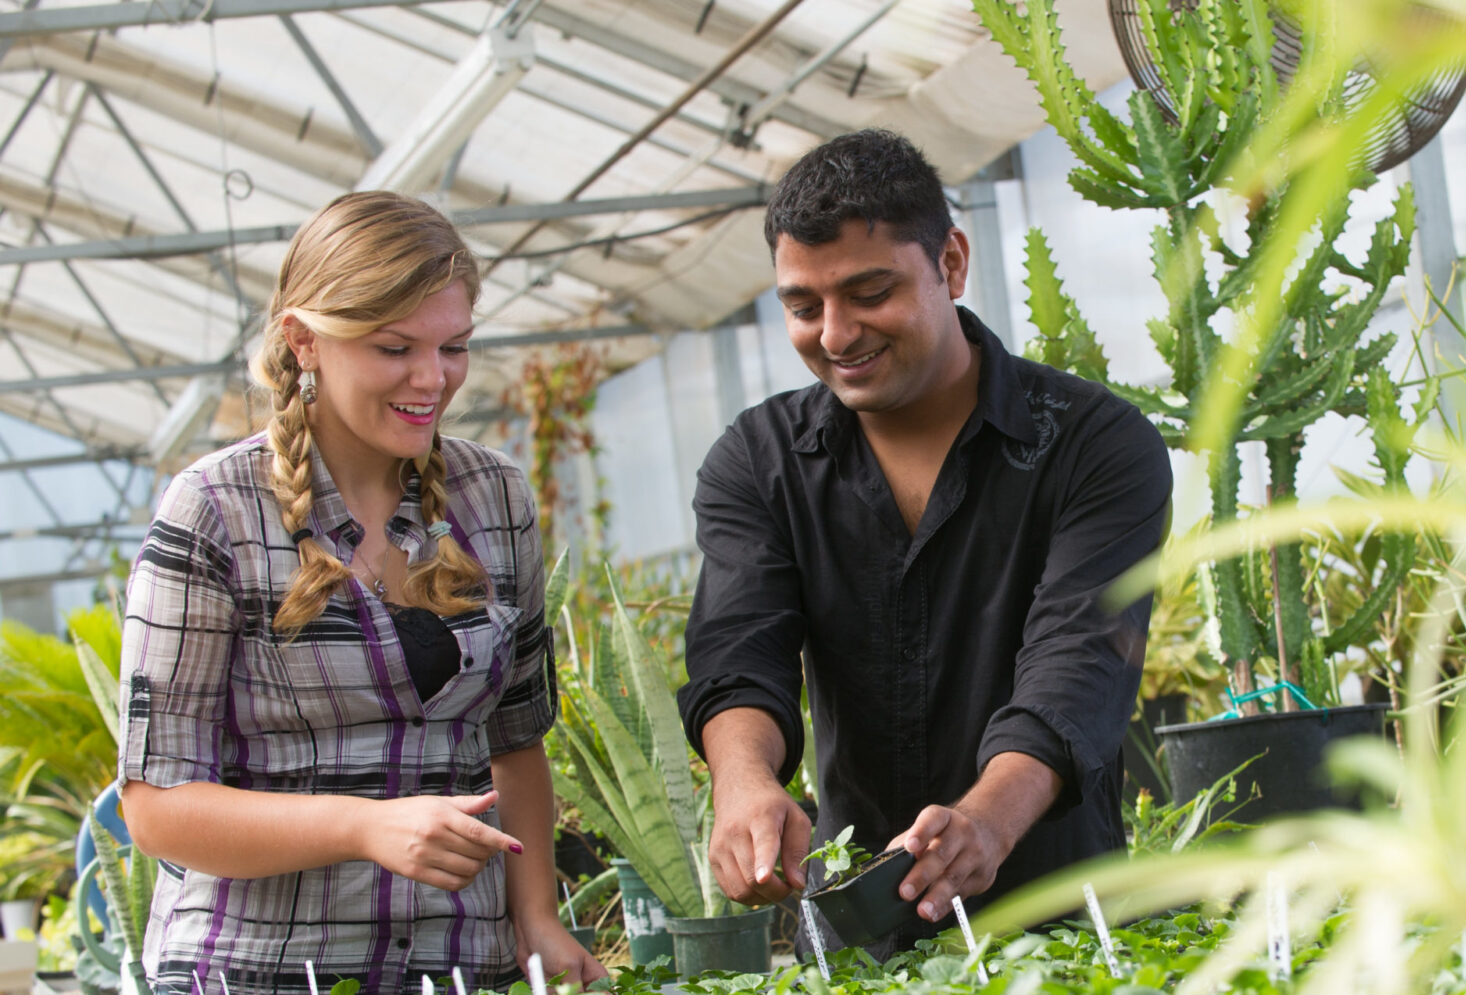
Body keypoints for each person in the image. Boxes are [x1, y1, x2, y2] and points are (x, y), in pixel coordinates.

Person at [678, 129, 1173, 951]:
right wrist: (744, 782)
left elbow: (1080, 660)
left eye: (869, 293)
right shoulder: (760, 463)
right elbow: (739, 651)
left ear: (949, 262)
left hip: (1057, 925)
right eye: (803, 307)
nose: (835, 334)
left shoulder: (1096, 445)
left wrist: (985, 820)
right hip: (854, 935)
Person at [117, 192, 606, 994]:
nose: (432, 377)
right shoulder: (216, 508)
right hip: (259, 969)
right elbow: (157, 804)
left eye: (454, 347)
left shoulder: (494, 497)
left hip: (458, 965)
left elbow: (516, 742)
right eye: (394, 347)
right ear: (304, 341)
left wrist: (537, 919)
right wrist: (362, 825)